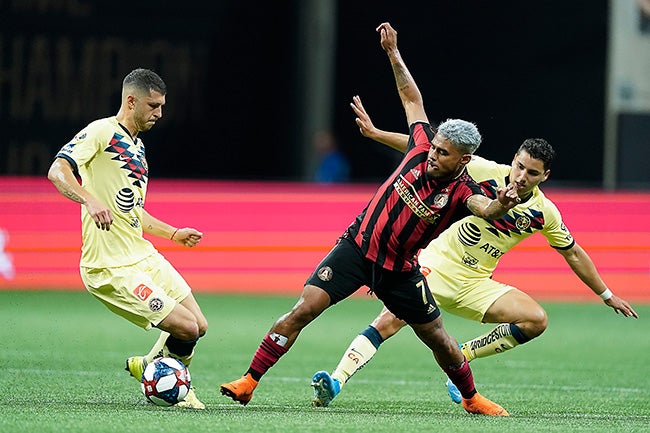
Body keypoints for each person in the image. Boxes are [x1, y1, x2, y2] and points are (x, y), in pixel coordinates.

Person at [219, 22, 521, 416]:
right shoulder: (420, 144)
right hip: (356, 249)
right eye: (435, 148)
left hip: (401, 272)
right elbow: (412, 98)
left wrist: (503, 203)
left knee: (440, 341)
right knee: (302, 309)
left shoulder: (465, 192)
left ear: (463, 160)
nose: (433, 155)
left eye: (444, 153)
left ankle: (470, 398)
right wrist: (393, 53)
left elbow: (487, 210)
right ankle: (249, 381)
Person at [309, 93, 640, 407]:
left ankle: (461, 359)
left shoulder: (544, 213)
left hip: (475, 283)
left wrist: (607, 294)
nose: (522, 176)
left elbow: (573, 253)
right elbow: (423, 149)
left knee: (536, 320)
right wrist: (376, 134)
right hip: (436, 266)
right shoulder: (482, 170)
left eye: (532, 172)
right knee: (389, 321)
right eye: (520, 166)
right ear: (514, 159)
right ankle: (335, 382)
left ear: (545, 176)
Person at [47, 68, 209, 409]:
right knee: (186, 329)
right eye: (152, 105)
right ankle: (174, 387)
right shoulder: (102, 132)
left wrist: (174, 233)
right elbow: (58, 170)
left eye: (162, 106)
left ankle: (148, 366)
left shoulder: (137, 148)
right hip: (109, 266)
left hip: (141, 254)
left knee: (200, 325)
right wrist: (90, 200)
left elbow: (135, 211)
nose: (159, 113)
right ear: (131, 101)